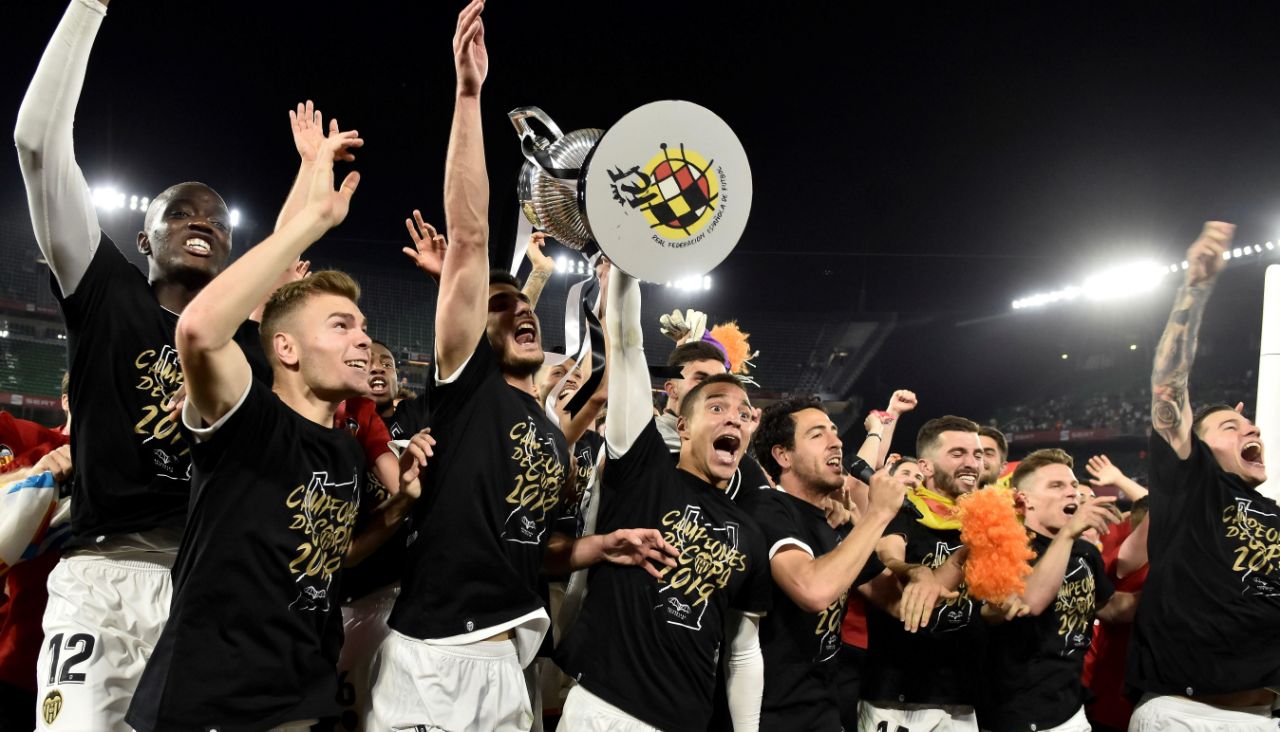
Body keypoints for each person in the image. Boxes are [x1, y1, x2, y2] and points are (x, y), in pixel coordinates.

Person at [368, 5, 673, 728]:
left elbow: (526, 547)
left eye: (520, 302)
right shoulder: (466, 385)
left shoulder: (539, 417)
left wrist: (599, 546)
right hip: (439, 659)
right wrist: (468, 97)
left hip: (513, 658)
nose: (517, 310)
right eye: (495, 306)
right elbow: (470, 239)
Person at [13, 1, 269, 725]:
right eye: (181, 211)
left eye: (217, 218)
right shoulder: (105, 293)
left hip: (206, 589)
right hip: (103, 577)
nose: (203, 221)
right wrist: (89, 6)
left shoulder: (249, 349)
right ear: (143, 237)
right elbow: (36, 143)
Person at [556, 261, 772, 731]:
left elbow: (741, 652)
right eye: (717, 407)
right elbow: (629, 344)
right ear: (684, 425)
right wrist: (629, 260)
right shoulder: (643, 467)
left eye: (743, 413)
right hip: (604, 710)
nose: (734, 419)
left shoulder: (750, 533)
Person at [1129, 221, 1280, 730]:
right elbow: (1168, 390)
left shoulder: (1274, 514)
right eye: (1230, 425)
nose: (1250, 428)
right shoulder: (1193, 488)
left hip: (1264, 713)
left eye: (1251, 423)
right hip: (1188, 714)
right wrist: (1195, 287)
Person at [750, 397, 903, 730]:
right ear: (783, 455)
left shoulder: (838, 521)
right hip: (770, 714)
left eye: (834, 431)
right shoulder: (767, 508)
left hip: (824, 706)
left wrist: (954, 557)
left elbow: (898, 602)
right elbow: (813, 589)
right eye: (817, 435)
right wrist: (877, 514)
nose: (836, 441)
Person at [982, 449, 1136, 732]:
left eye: (1073, 485)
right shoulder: (1002, 550)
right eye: (1056, 486)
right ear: (1023, 499)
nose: (1072, 493)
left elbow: (1110, 606)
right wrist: (1068, 534)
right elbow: (1030, 602)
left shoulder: (1085, 551)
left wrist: (1169, 591)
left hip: (1071, 710)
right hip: (1015, 715)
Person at [860, 416, 985, 732]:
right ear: (926, 467)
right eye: (958, 453)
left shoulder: (985, 521)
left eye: (978, 454)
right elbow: (887, 555)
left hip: (964, 697)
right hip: (900, 698)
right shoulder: (900, 508)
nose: (971, 463)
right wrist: (915, 572)